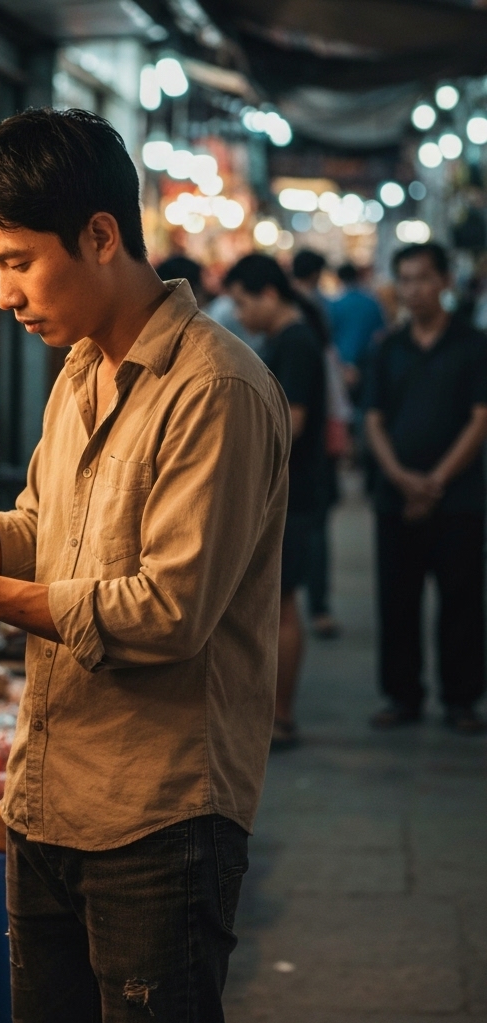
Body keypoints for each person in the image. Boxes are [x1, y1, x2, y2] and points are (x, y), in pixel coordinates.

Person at [0, 108, 291, 1022]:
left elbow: (168, 611)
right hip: (47, 795)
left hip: (158, 817)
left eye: (16, 263)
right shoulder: (80, 372)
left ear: (101, 236)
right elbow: (46, 535)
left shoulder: (217, 390)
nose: (3, 297)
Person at [365, 242, 487, 735]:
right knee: (397, 601)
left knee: (461, 600)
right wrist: (399, 477)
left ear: (444, 281)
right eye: (405, 280)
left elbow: (481, 419)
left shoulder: (473, 345)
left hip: (457, 498)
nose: (412, 290)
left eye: (422, 278)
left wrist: (435, 481)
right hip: (396, 498)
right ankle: (402, 695)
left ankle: (461, 698)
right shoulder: (386, 348)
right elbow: (372, 420)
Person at [225, 254, 327, 750]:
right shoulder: (289, 338)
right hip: (293, 490)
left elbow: (293, 419)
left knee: (283, 605)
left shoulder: (296, 341)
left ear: (269, 294)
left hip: (296, 492)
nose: (240, 315)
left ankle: (281, 717)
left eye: (243, 303)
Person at [292, 249, 350, 640]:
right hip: (321, 444)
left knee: (309, 528)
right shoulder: (318, 312)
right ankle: (319, 607)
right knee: (316, 528)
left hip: (308, 452)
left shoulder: (298, 327)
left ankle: (316, 607)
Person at [330, 262, 385, 402]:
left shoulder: (336, 305)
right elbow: (381, 334)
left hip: (341, 365)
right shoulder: (372, 303)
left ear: (339, 279)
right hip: (367, 365)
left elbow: (330, 336)